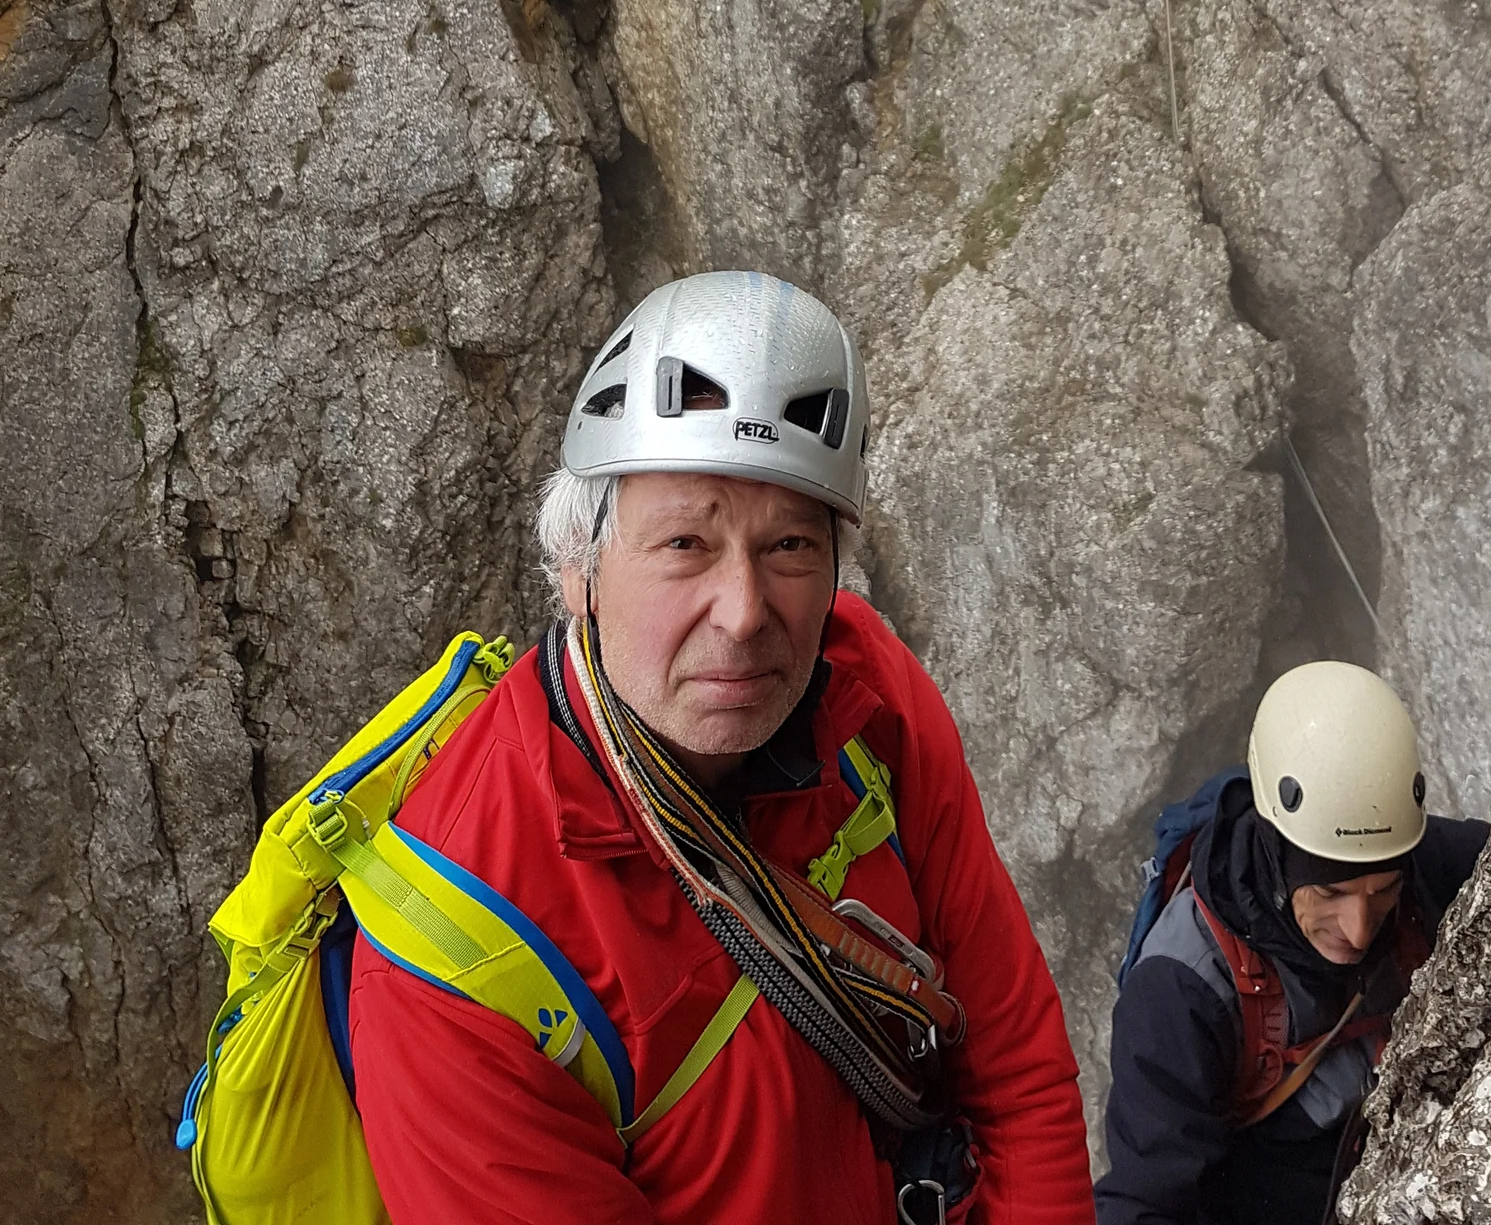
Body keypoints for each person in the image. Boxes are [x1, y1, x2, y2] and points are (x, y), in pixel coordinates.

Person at [350, 271, 1097, 1225]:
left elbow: (1016, 1069)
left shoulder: (870, 694)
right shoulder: (458, 956)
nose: (745, 615)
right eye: (685, 546)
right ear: (581, 569)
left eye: (789, 547)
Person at [1096, 664, 1489, 1225]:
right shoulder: (1180, 990)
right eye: (1330, 892)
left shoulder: (1413, 861)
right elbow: (1145, 1205)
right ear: (1274, 853)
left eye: (1382, 891)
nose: (1357, 928)